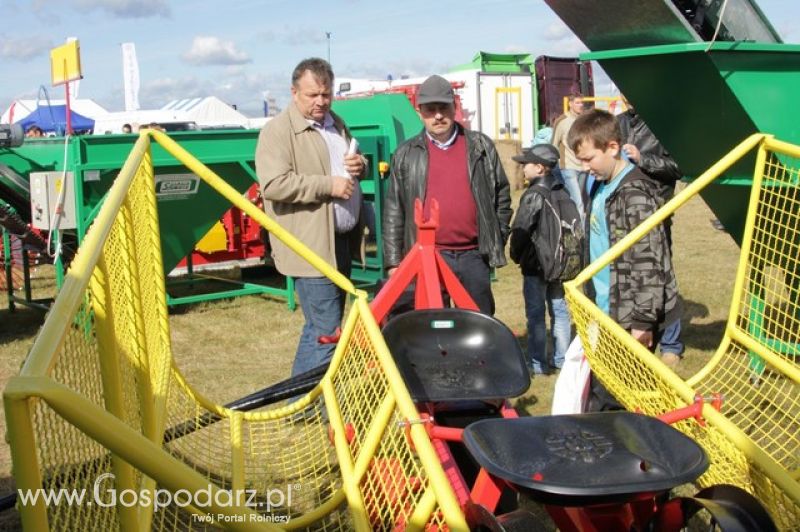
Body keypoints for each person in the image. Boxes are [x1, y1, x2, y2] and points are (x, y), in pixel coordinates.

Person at [255, 57, 367, 377]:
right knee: (325, 330)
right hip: (311, 246)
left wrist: (361, 166)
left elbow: (347, 166)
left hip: (341, 242)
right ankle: (305, 406)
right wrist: (327, 185)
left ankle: (305, 399)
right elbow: (274, 184)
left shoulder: (336, 123)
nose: (321, 102)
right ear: (294, 92)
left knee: (325, 325)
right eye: (312, 95)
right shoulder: (277, 132)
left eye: (326, 94)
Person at [567, 110, 680, 408]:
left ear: (613, 147)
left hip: (629, 320)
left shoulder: (635, 193)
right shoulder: (603, 187)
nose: (586, 167)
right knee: (601, 398)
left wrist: (642, 322)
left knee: (618, 404)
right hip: (604, 313)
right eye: (581, 161)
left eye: (589, 159)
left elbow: (649, 261)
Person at [383, 75, 512, 315]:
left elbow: (501, 195)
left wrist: (496, 237)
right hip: (428, 257)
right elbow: (393, 210)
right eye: (431, 110)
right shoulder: (405, 154)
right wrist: (393, 262)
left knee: (478, 325)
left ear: (454, 107)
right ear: (419, 111)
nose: (438, 116)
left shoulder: (481, 147)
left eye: (443, 108)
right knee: (435, 328)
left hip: (474, 255)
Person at [617, 98, 685, 365]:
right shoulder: (620, 122)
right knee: (631, 274)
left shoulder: (663, 123)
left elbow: (678, 167)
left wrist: (642, 158)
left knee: (663, 275)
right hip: (624, 210)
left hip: (656, 208)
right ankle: (636, 335)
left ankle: (671, 344)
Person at [509, 144, 572, 375]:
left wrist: (516, 254)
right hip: (559, 264)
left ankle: (537, 363)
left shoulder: (533, 195)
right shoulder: (563, 191)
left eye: (526, 164)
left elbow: (521, 229)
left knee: (536, 316)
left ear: (539, 168)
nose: (522, 168)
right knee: (560, 311)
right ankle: (562, 359)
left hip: (536, 266)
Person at [551, 92, 587, 216]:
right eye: (577, 103)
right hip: (568, 166)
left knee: (578, 200)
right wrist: (552, 164)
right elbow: (554, 143)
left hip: (583, 166)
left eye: (582, 102)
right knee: (579, 202)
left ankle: (570, 223)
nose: (580, 105)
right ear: (570, 104)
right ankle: (580, 233)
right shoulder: (562, 121)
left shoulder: (584, 120)